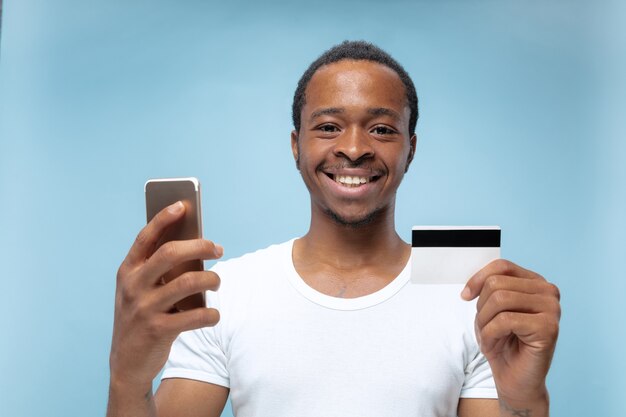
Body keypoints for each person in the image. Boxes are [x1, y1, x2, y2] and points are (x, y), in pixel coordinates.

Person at [107, 41, 561, 417]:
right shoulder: (225, 293)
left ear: (411, 149)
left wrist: (526, 400)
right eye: (328, 126)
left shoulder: (471, 296)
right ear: (296, 145)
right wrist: (127, 379)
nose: (354, 148)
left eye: (382, 129)